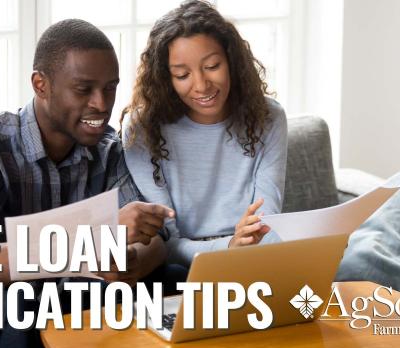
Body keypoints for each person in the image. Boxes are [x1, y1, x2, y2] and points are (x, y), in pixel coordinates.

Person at [0, 19, 184, 348]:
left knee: (175, 278)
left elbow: (158, 238)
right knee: (17, 306)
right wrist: (97, 237)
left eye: (110, 88)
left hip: (62, 301)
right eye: (83, 89)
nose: (101, 104)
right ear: (40, 84)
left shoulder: (107, 149)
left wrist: (133, 261)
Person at [121, 0, 288, 267]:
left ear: (231, 62)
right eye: (182, 74)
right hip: (183, 268)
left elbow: (267, 223)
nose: (201, 85)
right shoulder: (142, 128)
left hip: (255, 258)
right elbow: (167, 243)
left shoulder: (268, 117)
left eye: (212, 67)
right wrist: (230, 247)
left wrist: (245, 245)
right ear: (166, 78)